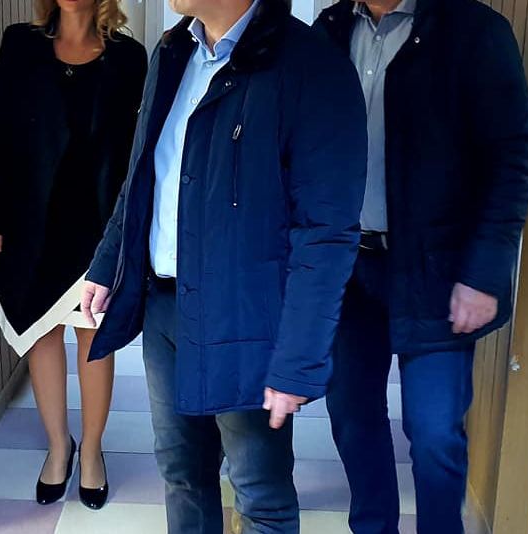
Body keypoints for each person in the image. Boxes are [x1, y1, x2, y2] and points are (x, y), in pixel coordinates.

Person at [79, 0, 367, 532]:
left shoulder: (311, 66)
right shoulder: (173, 51)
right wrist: (106, 261)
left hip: (247, 319)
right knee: (183, 475)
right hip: (165, 308)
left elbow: (325, 234)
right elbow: (145, 174)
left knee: (260, 495)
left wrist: (299, 358)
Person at [313, 0, 528, 532]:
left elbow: (512, 161)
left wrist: (483, 274)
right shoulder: (331, 29)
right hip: (346, 268)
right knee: (351, 417)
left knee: (435, 432)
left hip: (438, 271)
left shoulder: (473, 31)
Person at [0, 0, 147, 508]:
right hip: (31, 220)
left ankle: (91, 451)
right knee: (39, 332)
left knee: (93, 334)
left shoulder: (129, 57)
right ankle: (57, 447)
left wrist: (132, 229)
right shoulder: (21, 44)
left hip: (98, 223)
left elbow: (137, 149)